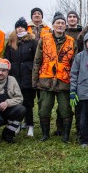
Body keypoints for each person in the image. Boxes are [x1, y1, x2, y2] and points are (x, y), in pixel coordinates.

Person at [32, 11, 77, 143]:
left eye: (63, 23)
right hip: (46, 80)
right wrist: (35, 80)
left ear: (65, 26)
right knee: (44, 108)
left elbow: (75, 63)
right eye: (58, 23)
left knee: (65, 109)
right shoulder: (44, 39)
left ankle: (65, 136)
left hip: (64, 81)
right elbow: (37, 60)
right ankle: (45, 134)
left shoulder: (71, 41)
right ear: (53, 25)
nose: (60, 25)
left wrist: (74, 82)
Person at [4, 17, 38, 137]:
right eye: (18, 27)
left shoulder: (32, 41)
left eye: (22, 27)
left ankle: (30, 125)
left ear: (26, 28)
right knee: (15, 102)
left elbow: (36, 59)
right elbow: (6, 59)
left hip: (27, 76)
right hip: (14, 77)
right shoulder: (10, 42)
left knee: (28, 103)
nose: (20, 29)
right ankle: (16, 124)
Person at [0, 58, 26, 143]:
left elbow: (19, 98)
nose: (0, 73)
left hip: (7, 111)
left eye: (3, 70)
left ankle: (8, 133)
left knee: (21, 109)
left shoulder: (12, 80)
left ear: (8, 72)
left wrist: (7, 103)